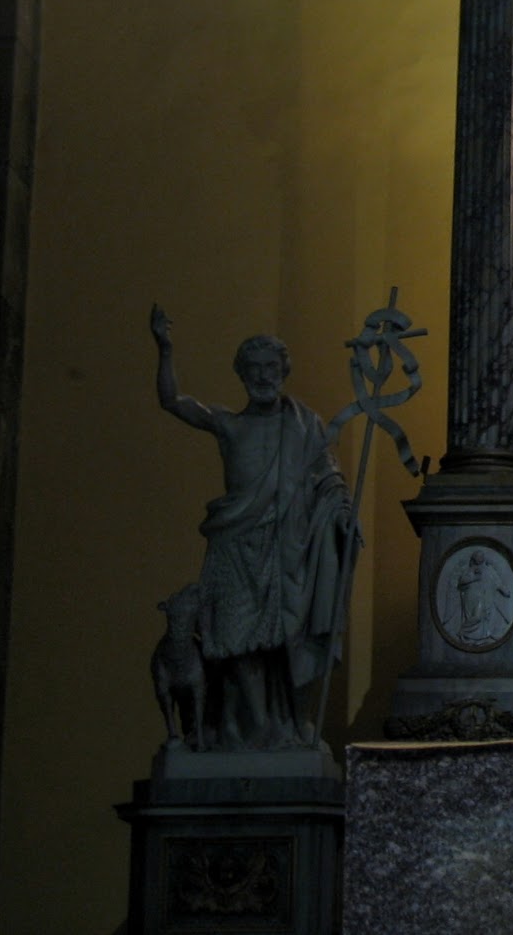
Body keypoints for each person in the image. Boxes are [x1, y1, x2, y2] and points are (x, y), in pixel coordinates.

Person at [149, 306, 352, 749]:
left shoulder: (304, 425)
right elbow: (172, 401)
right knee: (235, 639)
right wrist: (165, 348)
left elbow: (328, 477)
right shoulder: (228, 424)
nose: (263, 376)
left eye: (271, 367)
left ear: (283, 371)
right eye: (254, 368)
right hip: (234, 544)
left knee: (286, 640)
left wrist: (340, 511)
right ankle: (256, 726)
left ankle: (291, 722)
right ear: (241, 375)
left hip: (287, 544)